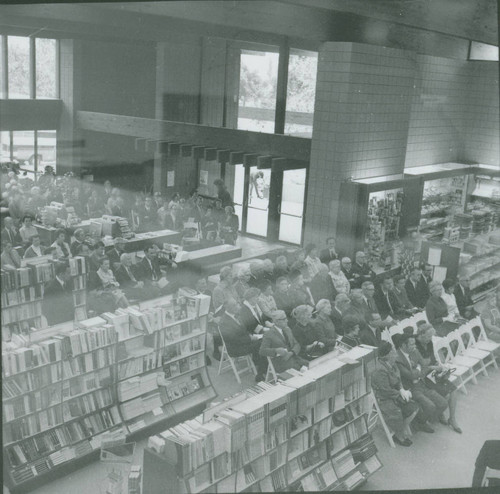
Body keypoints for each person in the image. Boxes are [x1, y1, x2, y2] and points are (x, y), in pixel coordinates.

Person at [395, 333, 448, 433]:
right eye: (411, 344)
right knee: (430, 406)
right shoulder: (397, 358)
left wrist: (418, 369)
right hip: (410, 388)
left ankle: (424, 419)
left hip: (421, 383)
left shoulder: (414, 351)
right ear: (403, 345)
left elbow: (424, 365)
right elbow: (410, 375)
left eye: (415, 344)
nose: (415, 346)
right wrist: (419, 369)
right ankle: (421, 423)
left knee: (443, 403)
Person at [414, 322, 462, 433]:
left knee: (453, 389)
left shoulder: (429, 342)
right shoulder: (414, 346)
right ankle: (439, 414)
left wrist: (440, 367)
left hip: (433, 373)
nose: (430, 339)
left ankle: (452, 418)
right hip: (423, 377)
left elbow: (433, 358)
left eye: (431, 336)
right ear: (420, 335)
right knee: (446, 392)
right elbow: (419, 367)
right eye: (428, 336)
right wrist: (434, 367)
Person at [371, 342, 420, 446]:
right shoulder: (380, 370)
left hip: (394, 394)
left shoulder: (392, 364)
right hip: (384, 398)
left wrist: (402, 389)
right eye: (393, 350)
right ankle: (398, 434)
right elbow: (385, 390)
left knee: (414, 407)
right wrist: (399, 393)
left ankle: (400, 429)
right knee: (399, 412)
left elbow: (398, 380)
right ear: (388, 354)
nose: (395, 352)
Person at [218, 298, 267, 382]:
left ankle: (263, 365)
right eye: (234, 305)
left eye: (237, 303)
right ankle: (261, 372)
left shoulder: (237, 315)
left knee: (265, 339)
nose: (237, 306)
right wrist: (249, 338)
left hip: (245, 342)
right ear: (227, 307)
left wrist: (252, 335)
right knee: (261, 344)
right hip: (236, 348)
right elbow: (232, 339)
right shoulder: (223, 322)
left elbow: (244, 330)